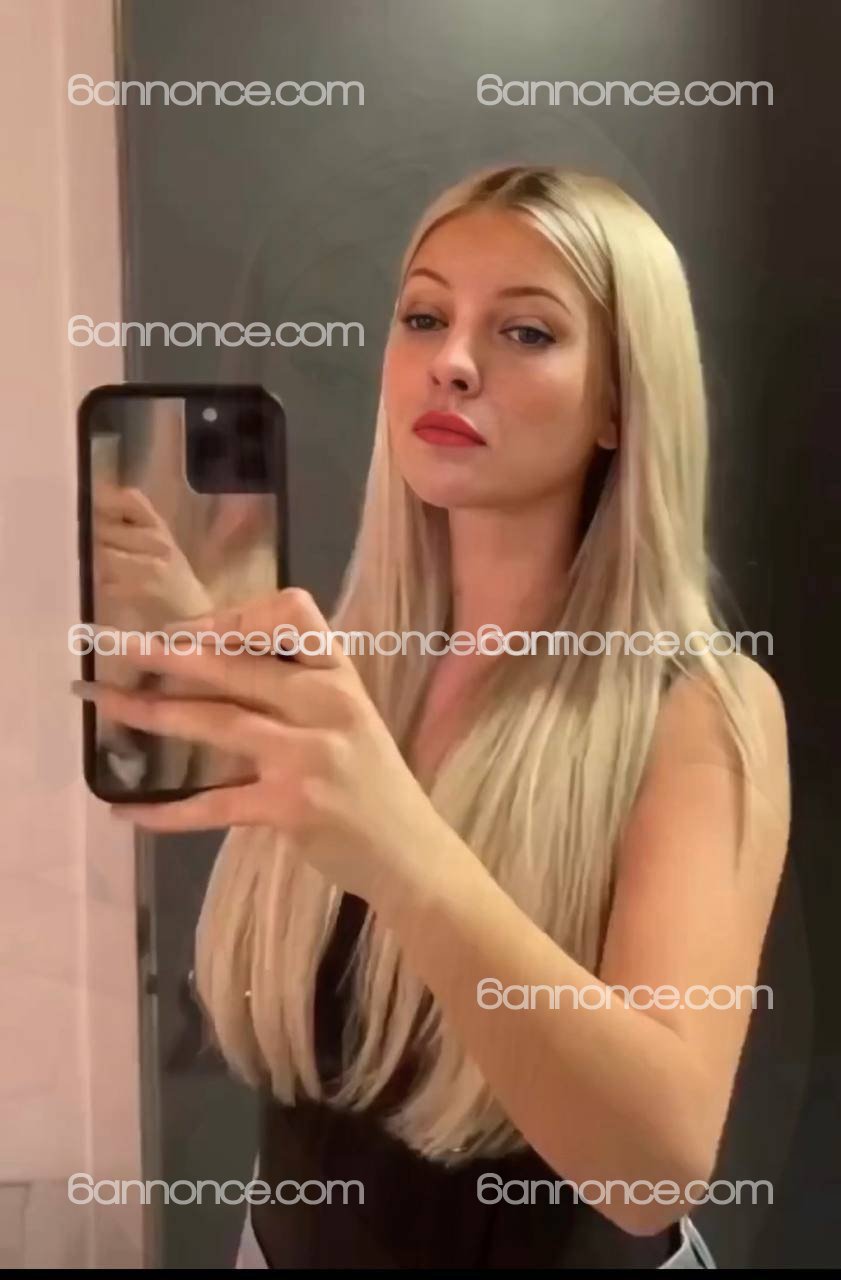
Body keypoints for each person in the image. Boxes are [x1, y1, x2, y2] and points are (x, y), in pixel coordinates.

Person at [75, 164, 790, 1268]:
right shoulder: (341, 673)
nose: (451, 361)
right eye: (423, 317)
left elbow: (653, 1169)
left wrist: (401, 852)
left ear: (619, 401)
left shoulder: (700, 706)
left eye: (525, 331)